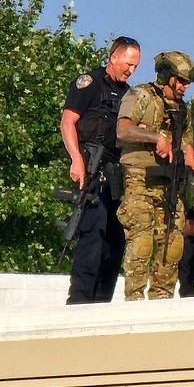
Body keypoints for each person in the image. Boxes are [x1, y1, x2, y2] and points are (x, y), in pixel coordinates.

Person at [116, 51, 194, 300]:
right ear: (167, 76)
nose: (185, 87)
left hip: (170, 182)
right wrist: (156, 138)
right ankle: (133, 301)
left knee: (172, 245)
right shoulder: (141, 95)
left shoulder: (182, 109)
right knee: (142, 243)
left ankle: (162, 304)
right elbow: (123, 130)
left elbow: (187, 145)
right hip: (140, 178)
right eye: (182, 81)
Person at [60, 36, 141, 304]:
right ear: (114, 57)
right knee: (92, 237)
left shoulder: (130, 95)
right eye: (128, 63)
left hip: (118, 175)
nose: (131, 70)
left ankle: (101, 303)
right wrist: (76, 160)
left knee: (115, 243)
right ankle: (79, 301)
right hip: (91, 171)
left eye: (135, 66)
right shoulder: (89, 83)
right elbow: (68, 122)